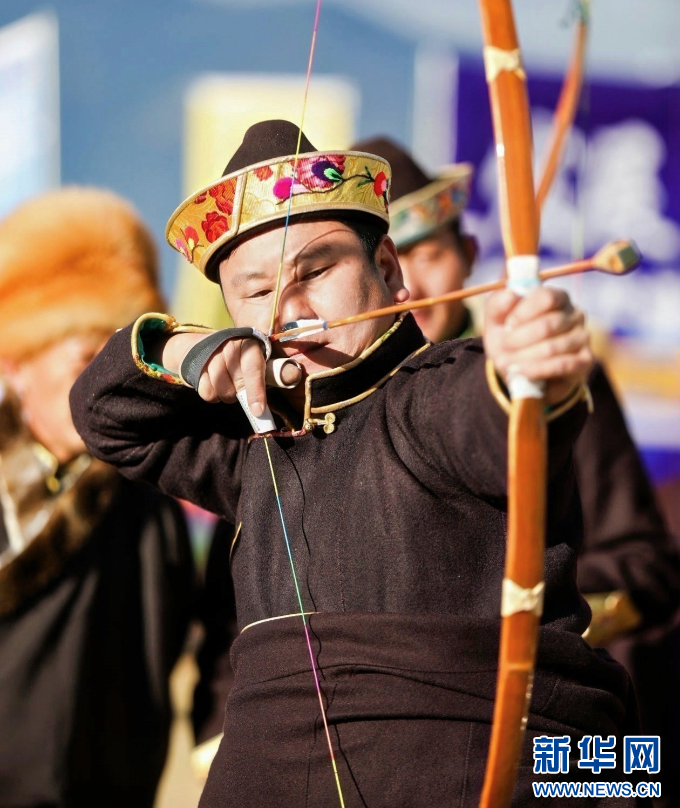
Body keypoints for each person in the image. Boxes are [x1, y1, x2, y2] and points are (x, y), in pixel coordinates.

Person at [72, 120, 638, 808]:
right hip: (271, 776)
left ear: (390, 272)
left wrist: (520, 370)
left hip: (476, 770)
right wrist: (185, 351)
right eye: (255, 292)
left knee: (630, 769)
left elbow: (484, 413)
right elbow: (104, 413)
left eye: (316, 271)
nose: (291, 309)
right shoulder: (252, 439)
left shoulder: (435, 388)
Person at [361, 135, 680, 646]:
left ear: (469, 254)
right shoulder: (329, 407)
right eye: (382, 266)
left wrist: (528, 614)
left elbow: (644, 566)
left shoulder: (552, 374)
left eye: (429, 255)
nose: (409, 287)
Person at [0, 187, 195, 808]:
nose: (102, 390)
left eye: (119, 370)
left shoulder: (149, 498)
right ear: (16, 366)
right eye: (86, 360)